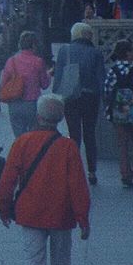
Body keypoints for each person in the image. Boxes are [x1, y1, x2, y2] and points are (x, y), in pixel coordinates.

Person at [0, 93, 91, 265]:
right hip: (61, 214)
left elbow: (7, 181)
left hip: (30, 212)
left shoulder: (22, 142)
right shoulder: (68, 147)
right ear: (60, 118)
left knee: (34, 260)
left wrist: (4, 209)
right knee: (61, 263)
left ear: (38, 116)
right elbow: (78, 186)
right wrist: (83, 218)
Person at [52, 21, 105, 184]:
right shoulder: (96, 53)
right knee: (90, 134)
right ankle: (92, 171)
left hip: (70, 98)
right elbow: (101, 79)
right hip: (90, 98)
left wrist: (57, 93)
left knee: (74, 134)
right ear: (87, 35)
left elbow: (59, 75)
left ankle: (73, 170)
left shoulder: (64, 50)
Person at [103, 38, 133, 187]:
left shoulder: (112, 70)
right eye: (132, 51)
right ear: (128, 53)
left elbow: (108, 91)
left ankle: (125, 174)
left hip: (118, 110)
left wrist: (108, 110)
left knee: (122, 144)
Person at [1, 30, 53, 138]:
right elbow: (44, 84)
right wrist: (48, 74)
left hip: (14, 103)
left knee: (19, 138)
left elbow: (3, 83)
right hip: (32, 104)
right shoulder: (38, 61)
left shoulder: (11, 61)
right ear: (34, 45)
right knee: (33, 136)